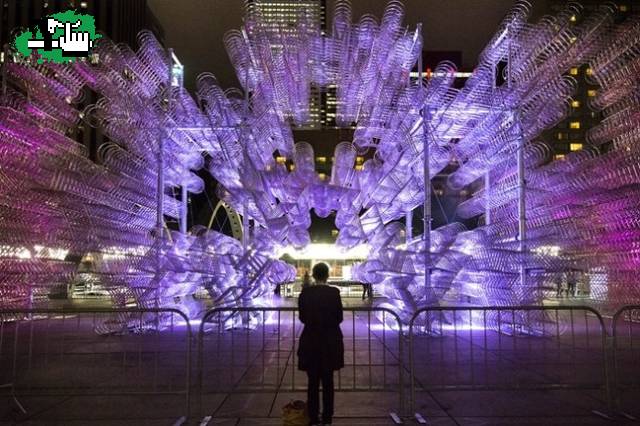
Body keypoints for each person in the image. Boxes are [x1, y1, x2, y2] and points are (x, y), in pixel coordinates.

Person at [297, 263, 344, 425]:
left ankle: (313, 416)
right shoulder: (334, 293)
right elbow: (339, 317)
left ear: (314, 275)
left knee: (312, 382)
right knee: (328, 381)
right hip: (330, 342)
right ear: (327, 275)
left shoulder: (305, 294)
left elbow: (302, 318)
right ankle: (327, 416)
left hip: (311, 341)